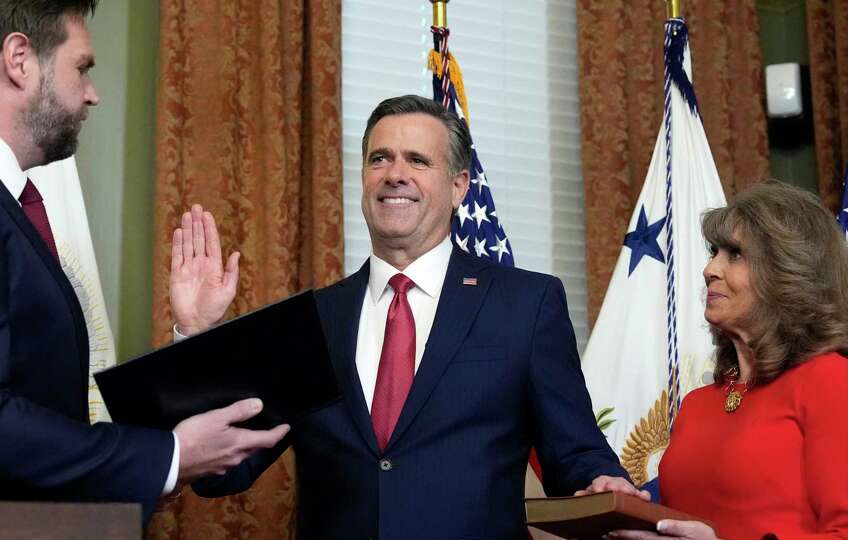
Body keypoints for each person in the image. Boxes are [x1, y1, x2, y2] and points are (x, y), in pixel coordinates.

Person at [0, 0, 287, 521]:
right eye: (81, 68)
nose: (92, 94)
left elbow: (24, 398)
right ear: (19, 59)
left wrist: (191, 339)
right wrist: (168, 456)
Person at [191, 95, 643, 539]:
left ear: (459, 186)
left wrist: (603, 482)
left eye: (418, 161)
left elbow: (575, 452)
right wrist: (196, 336)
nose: (395, 175)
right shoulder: (313, 320)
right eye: (380, 159)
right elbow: (220, 472)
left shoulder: (525, 303)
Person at [608, 181, 848, 539]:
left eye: (734, 254)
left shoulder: (829, 380)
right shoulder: (696, 404)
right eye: (714, 251)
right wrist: (622, 504)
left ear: (787, 273)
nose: (710, 269)